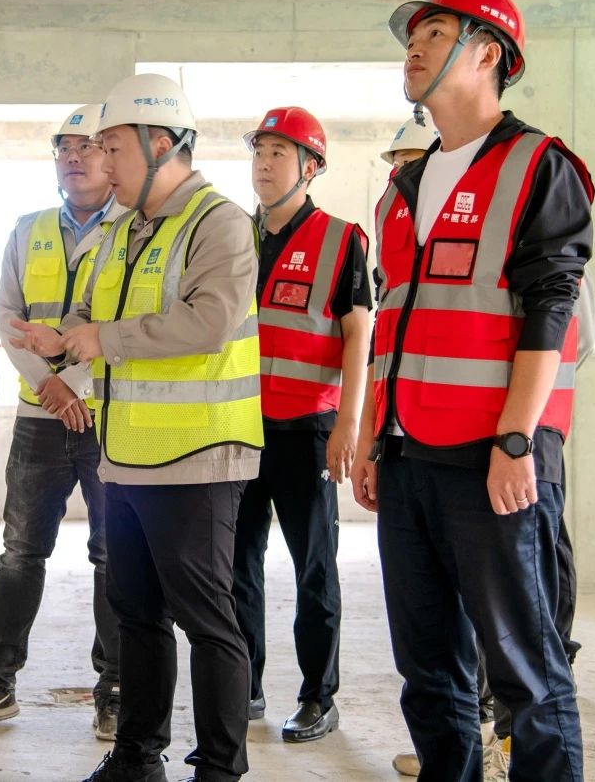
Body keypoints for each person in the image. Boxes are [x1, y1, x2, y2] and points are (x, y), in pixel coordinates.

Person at [350, 0, 593, 782]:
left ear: (488, 53)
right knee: (429, 671)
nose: (413, 50)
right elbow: (393, 329)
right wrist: (375, 438)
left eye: (434, 34)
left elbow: (552, 310)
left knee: (525, 671)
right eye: (411, 38)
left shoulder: (538, 166)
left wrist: (518, 439)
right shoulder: (404, 189)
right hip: (408, 457)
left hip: (496, 459)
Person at [11, 73, 262, 782]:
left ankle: (218, 768)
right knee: (136, 612)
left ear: (161, 145)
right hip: (123, 454)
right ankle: (136, 756)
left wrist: (102, 339)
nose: (101, 162)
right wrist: (58, 339)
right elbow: (93, 318)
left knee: (207, 618)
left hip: (198, 455)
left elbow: (209, 322)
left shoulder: (218, 222)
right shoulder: (123, 230)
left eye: (113, 147)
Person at [0, 104, 127, 740]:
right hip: (39, 418)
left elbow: (131, 324)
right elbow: (6, 315)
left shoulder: (132, 230)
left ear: (110, 157)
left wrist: (75, 385)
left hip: (109, 418)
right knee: (20, 553)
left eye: (89, 146)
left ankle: (115, 688)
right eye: (65, 147)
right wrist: (49, 386)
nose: (75, 157)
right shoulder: (26, 229)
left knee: (113, 555)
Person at [231, 107, 370, 743]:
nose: (263, 164)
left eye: (278, 153)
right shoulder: (233, 235)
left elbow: (358, 335)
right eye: (258, 152)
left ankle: (318, 696)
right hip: (237, 427)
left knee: (314, 567)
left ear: (310, 167)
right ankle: (245, 685)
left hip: (308, 430)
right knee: (238, 565)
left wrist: (348, 425)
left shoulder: (341, 240)